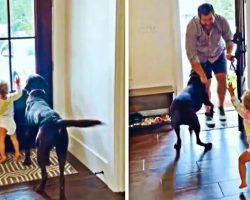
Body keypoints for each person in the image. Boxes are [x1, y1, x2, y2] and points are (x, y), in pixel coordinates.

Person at [185, 3, 234, 127]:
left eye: (210, 19)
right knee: (206, 84)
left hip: (218, 53)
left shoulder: (221, 21)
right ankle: (208, 113)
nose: (208, 22)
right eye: (205, 20)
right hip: (201, 57)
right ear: (199, 17)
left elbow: (229, 39)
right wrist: (201, 75)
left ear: (214, 14)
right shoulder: (192, 26)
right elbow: (191, 54)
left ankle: (221, 108)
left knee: (222, 80)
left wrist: (229, 52)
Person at [228, 82, 250, 188]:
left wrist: (232, 92)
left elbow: (237, 105)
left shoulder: (245, 114)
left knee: (241, 160)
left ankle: (243, 182)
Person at [0, 77, 22, 164]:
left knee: (1, 140)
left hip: (1, 122)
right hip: (10, 121)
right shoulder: (10, 97)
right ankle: (17, 154)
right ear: (7, 89)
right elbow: (19, 93)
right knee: (14, 139)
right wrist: (17, 84)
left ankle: (3, 156)